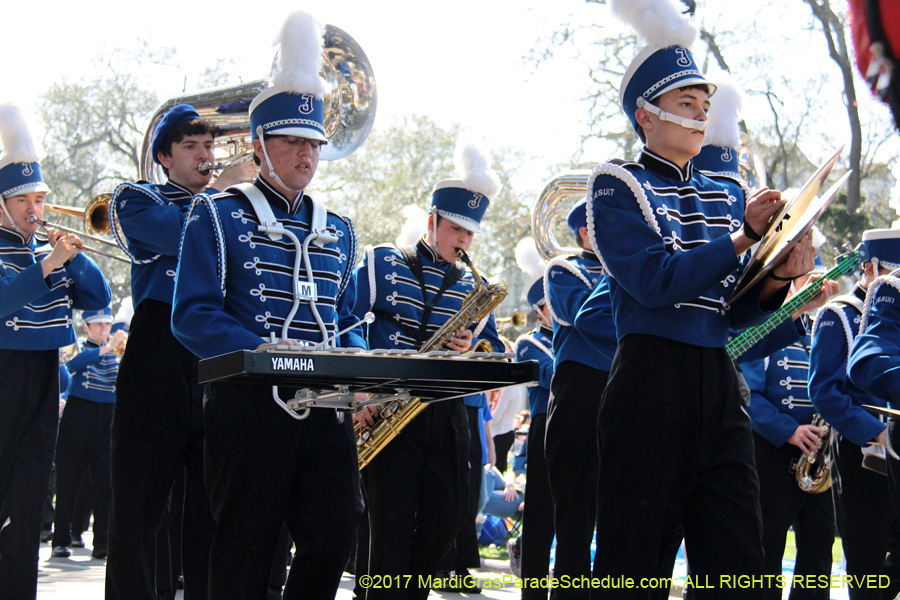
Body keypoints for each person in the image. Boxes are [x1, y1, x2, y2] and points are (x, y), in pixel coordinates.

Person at [580, 1, 819, 596]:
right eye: (687, 105)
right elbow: (656, 282)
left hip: (718, 381)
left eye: (705, 106)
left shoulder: (728, 191)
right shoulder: (616, 185)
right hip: (648, 382)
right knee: (634, 565)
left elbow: (731, 311)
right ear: (646, 115)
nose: (701, 116)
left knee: (739, 561)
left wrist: (781, 275)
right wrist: (742, 238)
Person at [171, 10, 365, 600]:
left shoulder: (340, 228)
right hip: (249, 406)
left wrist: (361, 368)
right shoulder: (215, 213)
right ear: (259, 145)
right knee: (246, 551)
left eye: (313, 143)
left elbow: (347, 318)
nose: (307, 155)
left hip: (326, 406)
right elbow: (192, 315)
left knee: (337, 529)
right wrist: (257, 348)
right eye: (292, 142)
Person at [352, 137, 504, 599]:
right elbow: (349, 321)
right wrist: (361, 390)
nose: (464, 240)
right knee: (390, 527)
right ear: (433, 220)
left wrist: (473, 345)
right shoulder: (384, 262)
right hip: (391, 406)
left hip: (448, 413)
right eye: (456, 228)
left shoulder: (472, 286)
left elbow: (494, 348)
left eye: (471, 232)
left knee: (449, 518)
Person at [0, 103, 111, 599]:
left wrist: (76, 258)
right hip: (4, 368)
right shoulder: (22, 255)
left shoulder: (46, 251)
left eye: (40, 198)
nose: (35, 208)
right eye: (23, 199)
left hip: (44, 369)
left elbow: (98, 302)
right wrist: (48, 263)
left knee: (29, 490)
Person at [810, 228, 900, 599]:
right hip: (862, 452)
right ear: (869, 267)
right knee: (867, 560)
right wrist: (876, 433)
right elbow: (824, 391)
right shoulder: (840, 314)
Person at [742, 265, 835, 600]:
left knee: (820, 546)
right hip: (772, 451)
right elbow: (748, 394)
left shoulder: (823, 329)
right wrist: (790, 430)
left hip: (818, 457)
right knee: (767, 548)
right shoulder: (764, 329)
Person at [542, 198, 612, 600]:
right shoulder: (564, 269)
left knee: (622, 520)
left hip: (626, 397)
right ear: (586, 234)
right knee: (574, 525)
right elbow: (591, 320)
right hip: (580, 400)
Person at [50, 307, 124, 560]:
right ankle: (61, 539)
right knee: (68, 480)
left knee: (105, 483)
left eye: (107, 324)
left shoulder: (117, 352)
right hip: (79, 416)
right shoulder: (77, 345)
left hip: (107, 418)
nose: (105, 330)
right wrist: (104, 348)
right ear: (87, 327)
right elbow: (69, 366)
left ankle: (102, 541)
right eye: (99, 325)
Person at [512, 238, 557, 599]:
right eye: (550, 305)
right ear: (539, 309)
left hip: (581, 424)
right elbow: (552, 373)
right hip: (546, 426)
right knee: (541, 514)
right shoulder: (528, 342)